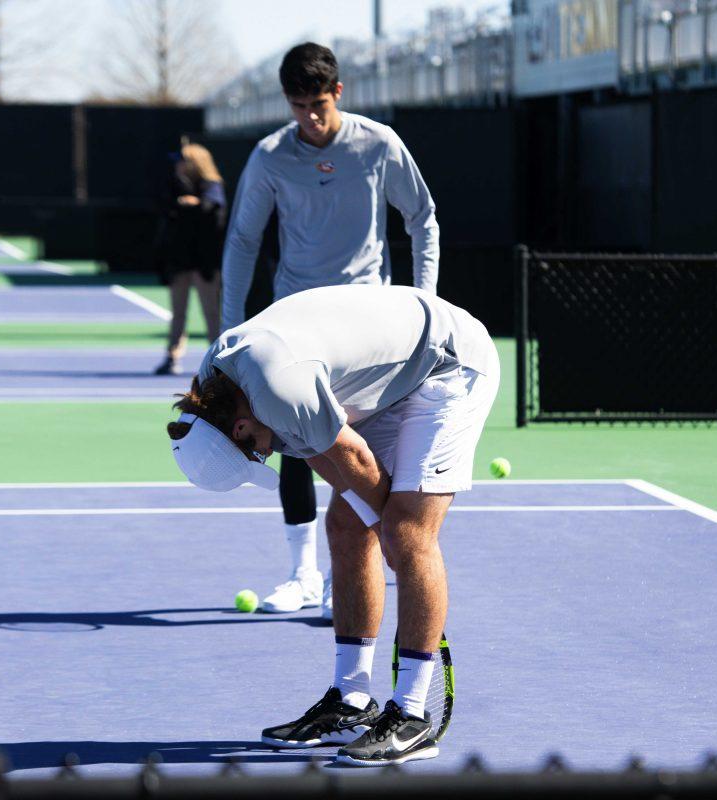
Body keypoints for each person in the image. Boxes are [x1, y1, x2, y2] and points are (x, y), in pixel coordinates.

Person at [168, 285, 498, 766]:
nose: (264, 454)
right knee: (346, 525)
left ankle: (411, 717)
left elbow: (354, 457)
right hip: (395, 376)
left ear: (238, 428)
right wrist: (370, 516)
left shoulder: (277, 388)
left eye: (254, 452)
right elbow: (323, 455)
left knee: (408, 533)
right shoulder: (216, 388)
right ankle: (351, 700)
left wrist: (390, 529)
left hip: (448, 361)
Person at [220, 42, 440, 618]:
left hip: (367, 326)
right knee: (293, 440)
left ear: (337, 93)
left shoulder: (379, 144)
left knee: (364, 448)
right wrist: (227, 328)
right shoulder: (269, 157)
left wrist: (424, 300)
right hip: (294, 321)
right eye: (298, 106)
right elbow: (243, 241)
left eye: (318, 104)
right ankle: (302, 575)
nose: (310, 118)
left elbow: (422, 218)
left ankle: (364, 564)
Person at [154, 143, 227, 376]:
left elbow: (213, 213)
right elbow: (167, 211)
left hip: (205, 263)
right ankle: (172, 356)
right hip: (180, 261)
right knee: (178, 312)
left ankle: (218, 362)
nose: (178, 164)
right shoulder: (174, 186)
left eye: (182, 160)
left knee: (211, 312)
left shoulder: (212, 186)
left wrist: (194, 205)